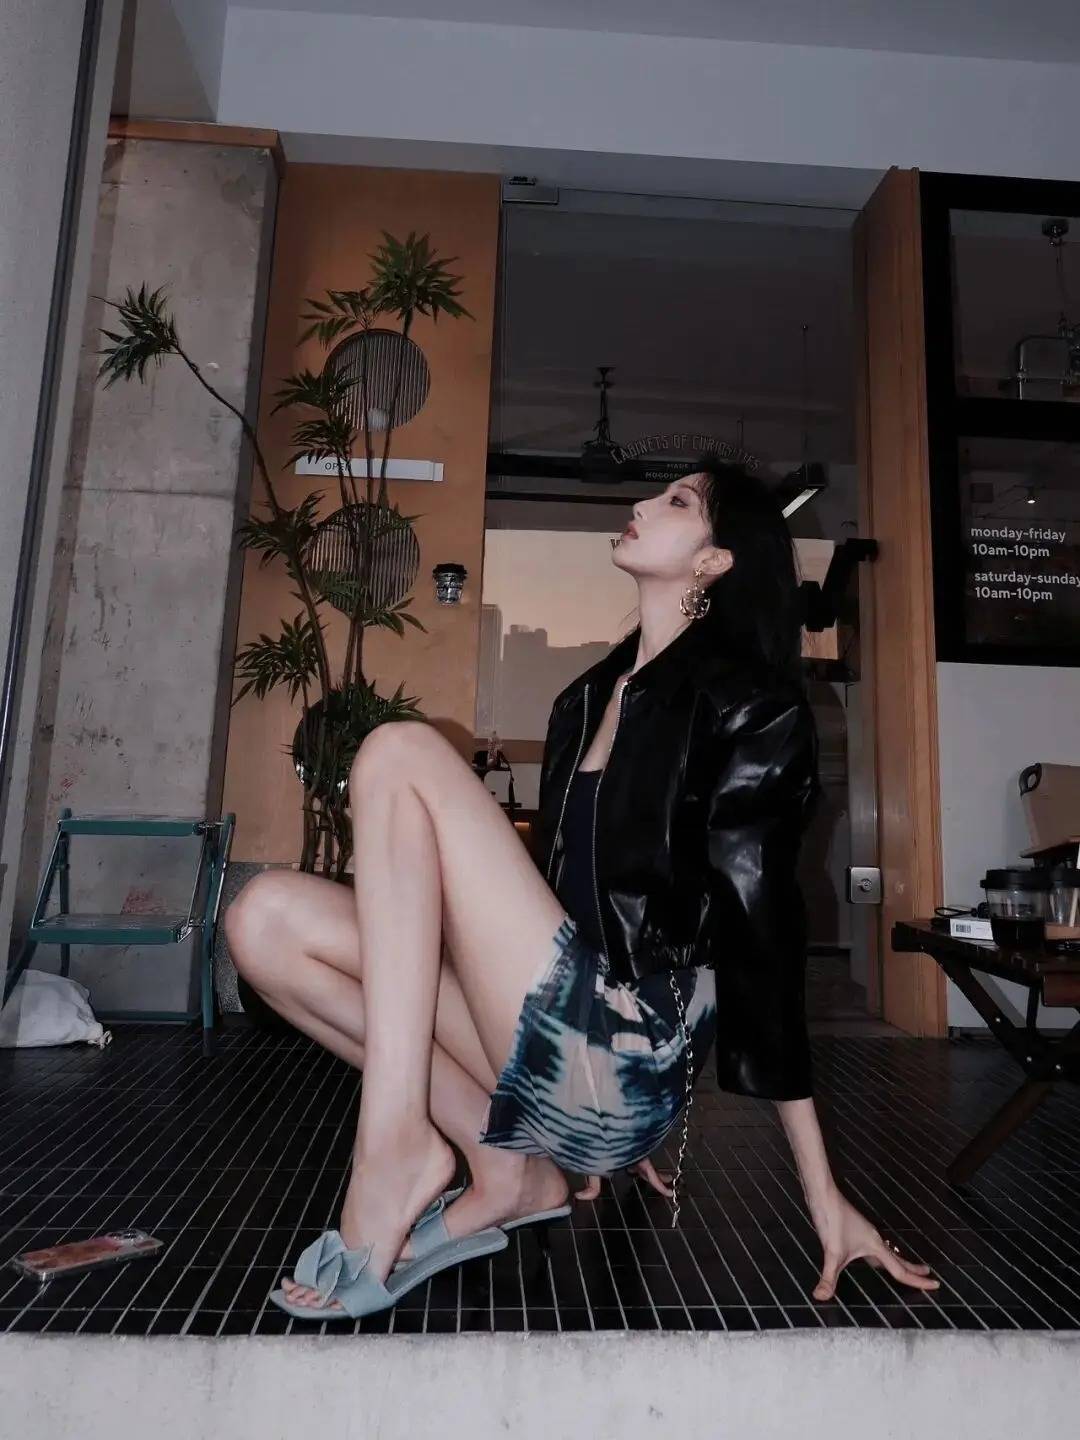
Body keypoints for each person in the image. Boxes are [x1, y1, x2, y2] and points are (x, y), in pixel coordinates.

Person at [225, 460, 940, 1319]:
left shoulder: (753, 707)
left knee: (397, 750)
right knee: (264, 921)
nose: (641, 503)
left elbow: (762, 938)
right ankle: (508, 1174)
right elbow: (559, 903)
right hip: (560, 1026)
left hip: (626, 1057)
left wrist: (822, 1190)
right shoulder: (587, 698)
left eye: (676, 502)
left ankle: (393, 1150)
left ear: (714, 561)